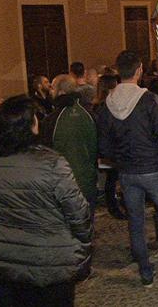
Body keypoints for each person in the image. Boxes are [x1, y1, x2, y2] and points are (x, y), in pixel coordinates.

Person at [96, 50, 158, 288]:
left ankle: (145, 269)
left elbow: (103, 143)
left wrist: (118, 162)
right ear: (140, 70)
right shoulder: (149, 100)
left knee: (136, 220)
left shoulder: (107, 103)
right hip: (153, 167)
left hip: (127, 171)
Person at [0, 95, 93, 306]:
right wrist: (83, 241)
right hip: (52, 257)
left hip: (12, 254)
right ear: (30, 125)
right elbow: (77, 211)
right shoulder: (52, 163)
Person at [40, 74, 99, 215]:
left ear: (60, 91)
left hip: (62, 182)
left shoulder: (52, 119)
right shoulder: (89, 114)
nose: (50, 91)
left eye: (53, 87)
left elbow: (45, 152)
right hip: (87, 180)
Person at [93, 74, 127, 220]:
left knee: (112, 179)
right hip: (112, 148)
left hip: (108, 147)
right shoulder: (106, 106)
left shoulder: (99, 106)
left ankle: (115, 205)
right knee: (114, 179)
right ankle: (114, 206)